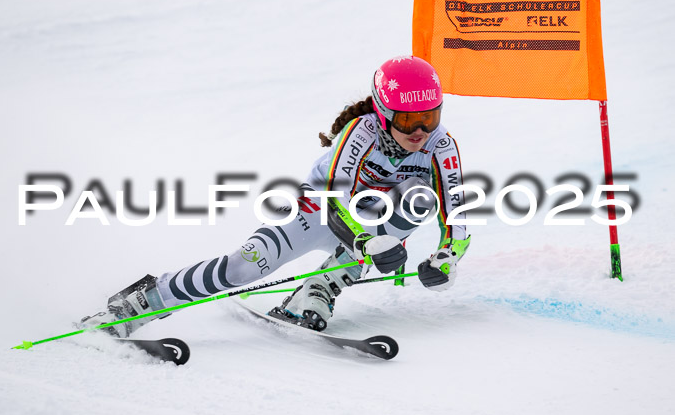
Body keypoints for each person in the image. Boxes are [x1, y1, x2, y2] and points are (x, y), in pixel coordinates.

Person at [81, 55, 471, 336]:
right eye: (407, 119)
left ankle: (321, 287)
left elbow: (457, 212)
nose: (420, 130)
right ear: (384, 113)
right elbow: (336, 203)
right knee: (244, 268)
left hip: (366, 222)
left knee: (421, 197)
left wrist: (448, 257)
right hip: (318, 209)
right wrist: (370, 242)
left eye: (430, 116)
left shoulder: (441, 146)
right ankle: (144, 301)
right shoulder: (361, 134)